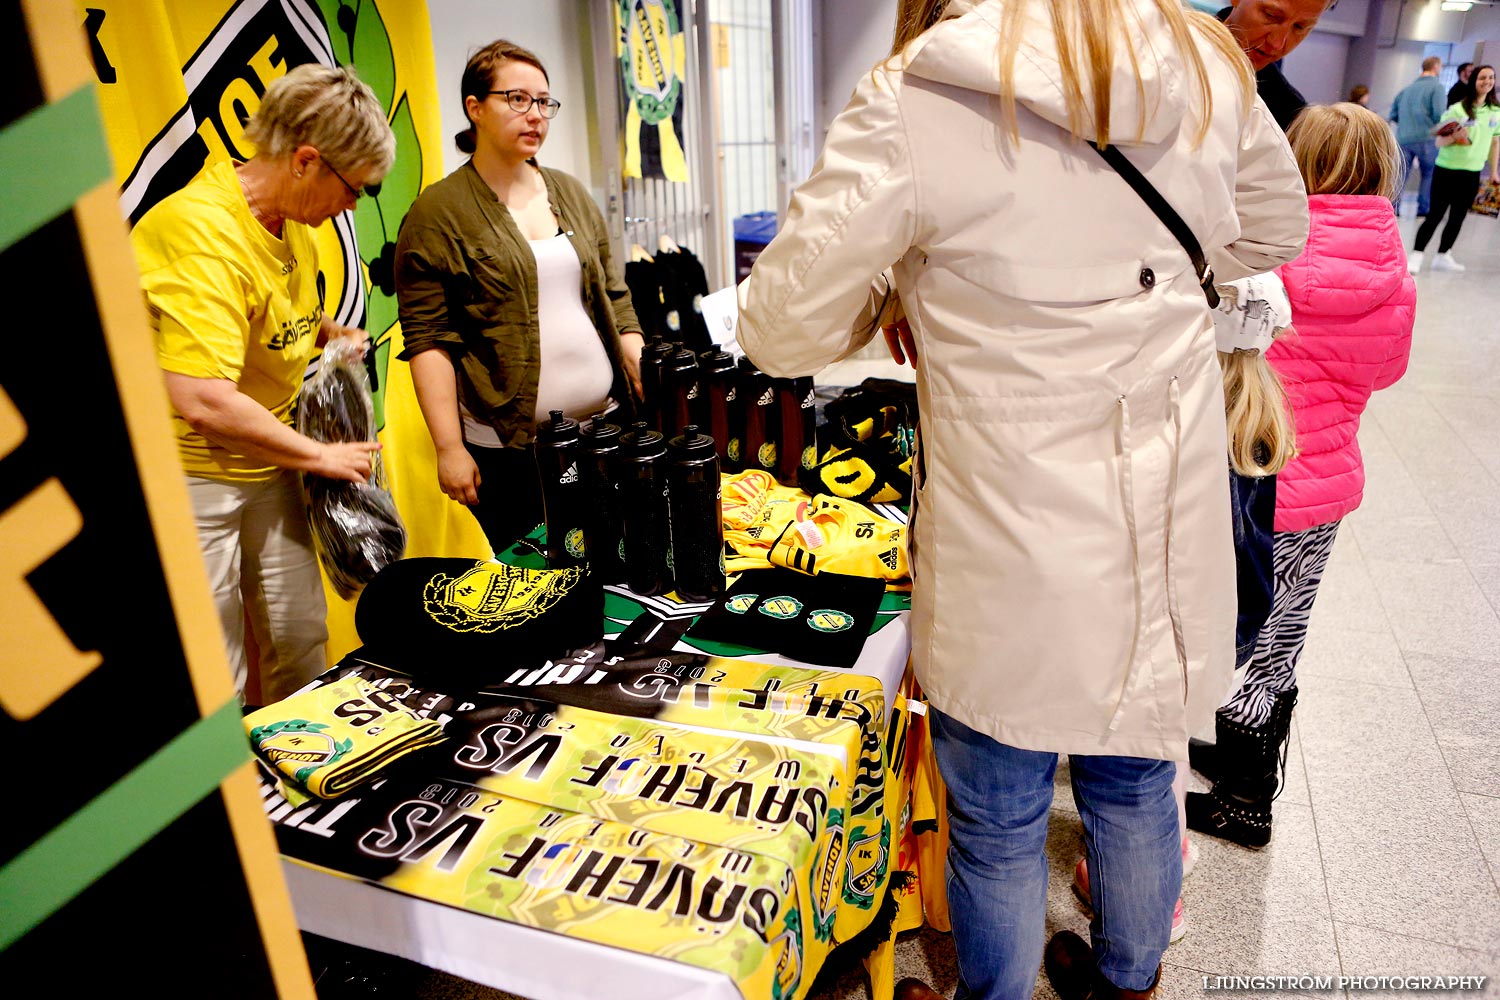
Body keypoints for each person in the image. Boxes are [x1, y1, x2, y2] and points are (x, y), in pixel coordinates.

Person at [736, 2, 1309, 998]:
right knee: (1135, 779)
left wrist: (904, 283)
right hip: (1159, 518)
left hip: (1005, 534)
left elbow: (780, 331)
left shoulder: (922, 88)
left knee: (997, 815)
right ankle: (1130, 982)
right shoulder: (1206, 58)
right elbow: (1274, 225)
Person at [1189, 103, 1414, 848]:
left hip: (1244, 476)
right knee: (1280, 634)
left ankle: (1241, 799)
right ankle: (1246, 768)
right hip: (1323, 488)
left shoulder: (1261, 253)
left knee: (1213, 622)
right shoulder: (1394, 274)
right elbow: (1385, 373)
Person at [131, 64, 392, 705]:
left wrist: (325, 331)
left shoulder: (289, 222)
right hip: (194, 477)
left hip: (267, 465)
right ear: (307, 160)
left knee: (299, 637)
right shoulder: (202, 233)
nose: (353, 205)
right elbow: (200, 397)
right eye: (354, 187)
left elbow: (257, 314)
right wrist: (322, 456)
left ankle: (299, 779)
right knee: (214, 669)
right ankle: (237, 797)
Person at [395, 40, 644, 553]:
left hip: (606, 427)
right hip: (513, 451)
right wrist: (448, 448)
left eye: (544, 102)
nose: (535, 116)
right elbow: (427, 341)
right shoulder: (437, 213)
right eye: (518, 99)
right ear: (475, 107)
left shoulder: (569, 192)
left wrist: (635, 352)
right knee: (540, 581)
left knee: (622, 562)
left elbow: (612, 293)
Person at [1410, 64, 1500, 273]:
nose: (1487, 82)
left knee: (1458, 216)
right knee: (1435, 214)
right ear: (1474, 81)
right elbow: (1439, 143)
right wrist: (1454, 136)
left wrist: (1494, 172)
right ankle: (1417, 254)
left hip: (1472, 172)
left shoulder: (1496, 112)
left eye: (1491, 78)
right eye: (1482, 78)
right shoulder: (1457, 109)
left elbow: (1495, 144)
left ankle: (1443, 255)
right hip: (1447, 170)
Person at [1219, 0, 1334, 131]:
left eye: (1299, 27)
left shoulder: (1289, 117)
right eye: (1271, 15)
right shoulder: (1191, 47)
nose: (1277, 43)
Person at [1390, 57, 1450, 217]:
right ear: (1436, 67)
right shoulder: (1436, 87)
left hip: (1403, 138)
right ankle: (1423, 209)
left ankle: (1393, 208)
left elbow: (1393, 114)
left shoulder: (1406, 90)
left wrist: (1407, 125)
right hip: (1427, 138)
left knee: (1400, 176)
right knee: (1428, 175)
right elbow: (1439, 114)